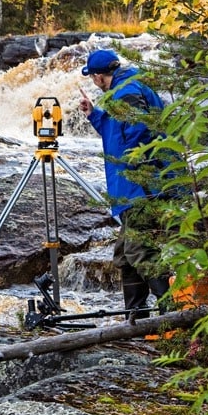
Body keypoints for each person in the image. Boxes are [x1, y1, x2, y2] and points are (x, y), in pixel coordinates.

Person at [77, 48, 173, 320]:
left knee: (139, 250)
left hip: (141, 187)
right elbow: (120, 133)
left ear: (97, 76)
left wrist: (135, 166)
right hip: (137, 186)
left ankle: (172, 311)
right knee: (124, 254)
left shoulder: (125, 92)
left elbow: (138, 132)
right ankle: (136, 316)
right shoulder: (128, 86)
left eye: (92, 77)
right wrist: (95, 115)